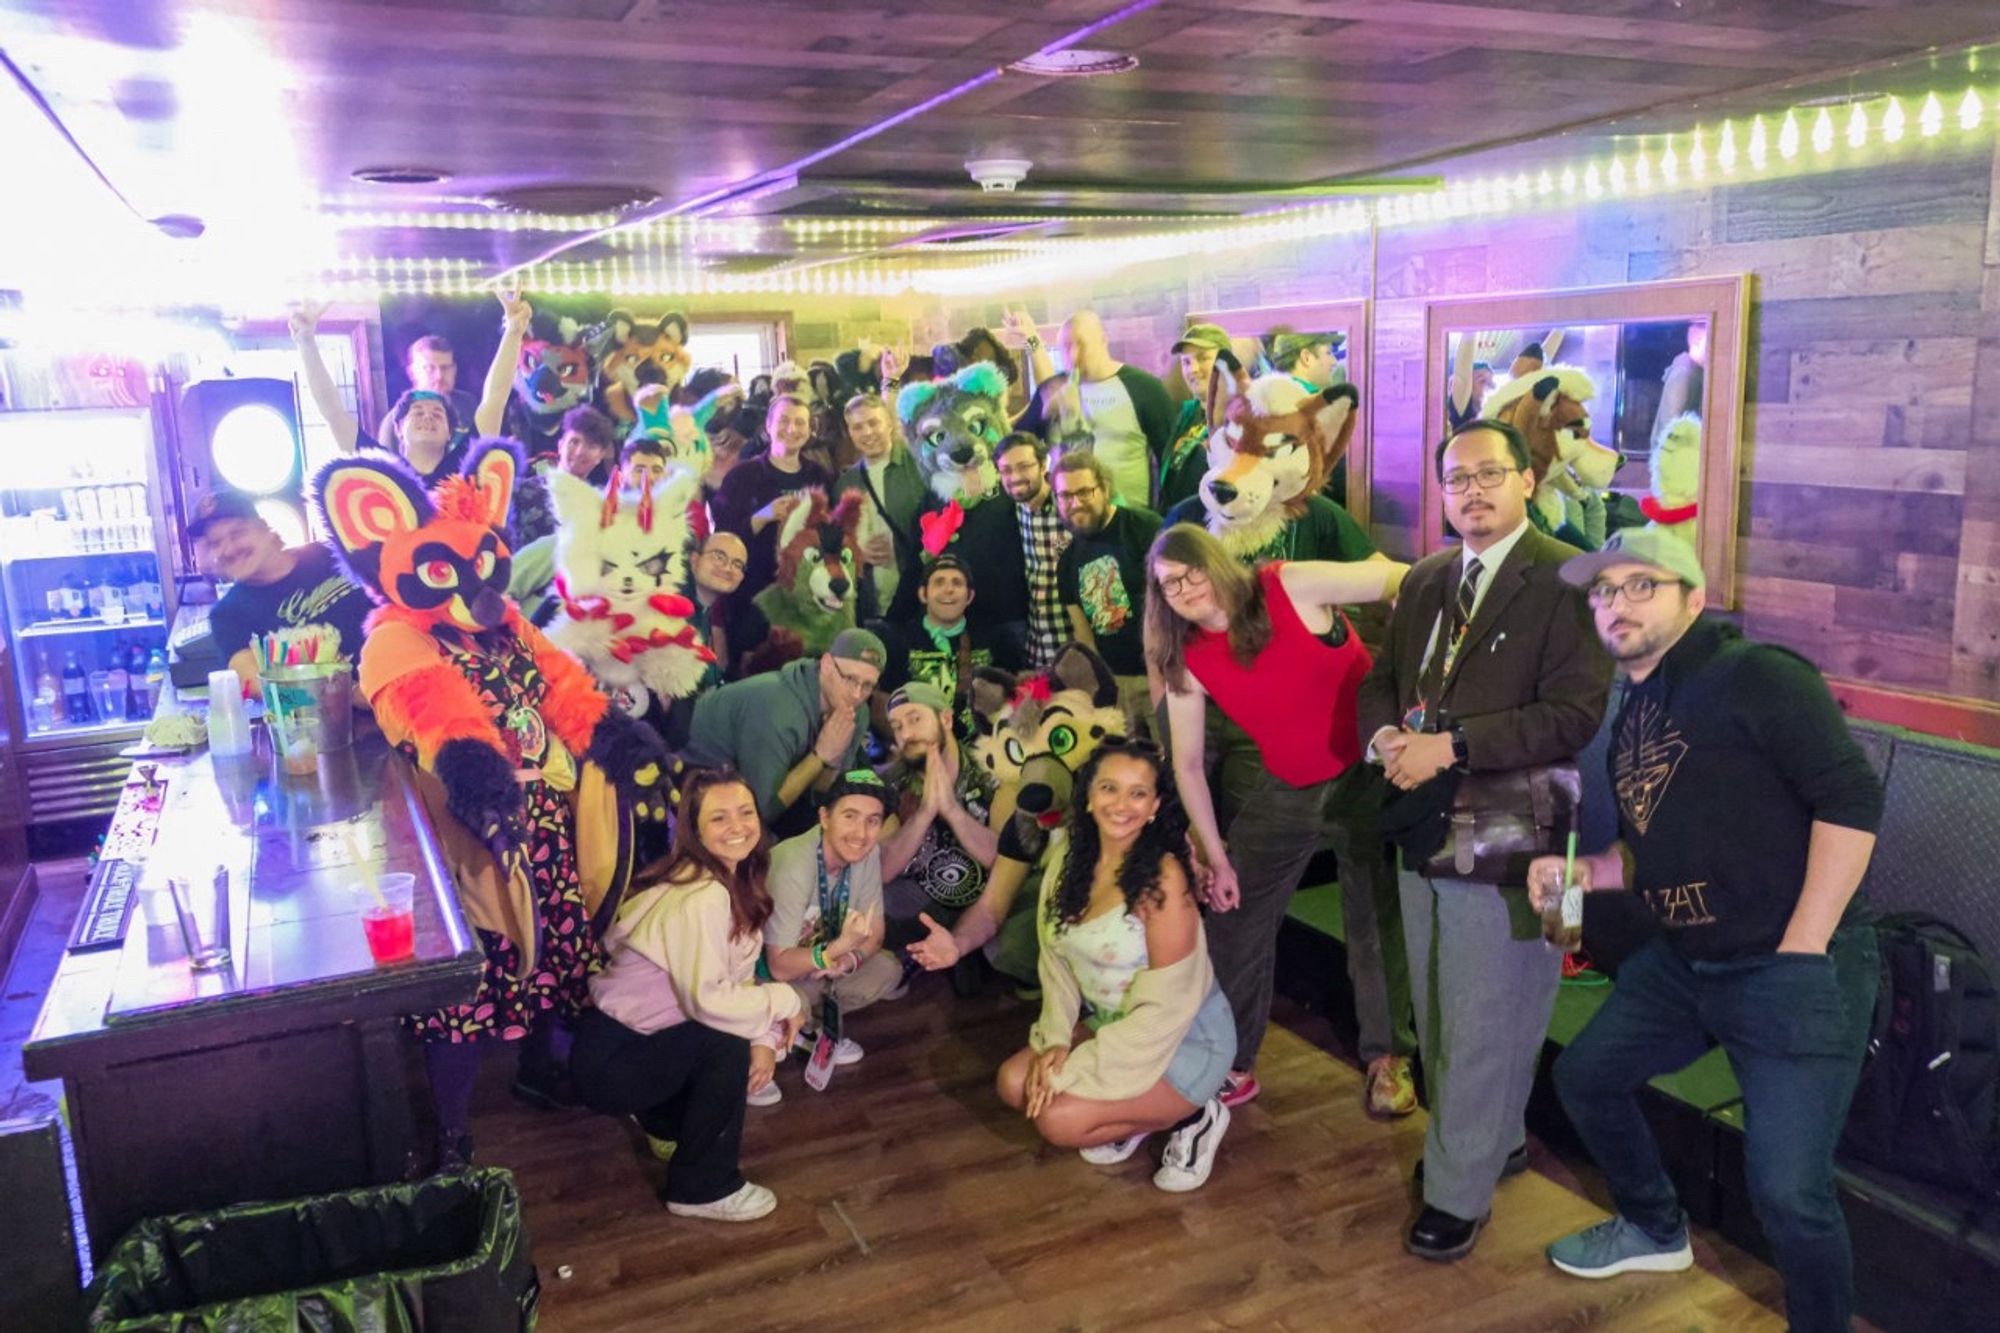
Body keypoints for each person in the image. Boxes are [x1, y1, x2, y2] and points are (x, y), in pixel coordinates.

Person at [1531, 529, 1880, 1332]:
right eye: (1603, 592)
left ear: (1693, 596)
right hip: (1689, 964)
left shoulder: (1755, 675)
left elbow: (1851, 802)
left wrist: (1804, 944)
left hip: (1792, 964)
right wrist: (1587, 874)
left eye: (1639, 586)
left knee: (1790, 1193)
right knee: (1585, 1076)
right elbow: (1650, 849)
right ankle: (1655, 1225)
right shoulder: (1635, 705)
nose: (1616, 604)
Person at [1356, 417, 1612, 1262]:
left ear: (1528, 480)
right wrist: (1387, 738)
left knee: (1493, 1007)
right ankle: (1496, 1138)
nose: (1472, 490)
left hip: (1532, 825)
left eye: (1489, 474)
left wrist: (1452, 745)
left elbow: (1575, 714)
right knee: (1443, 1003)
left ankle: (1456, 1193)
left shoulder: (1570, 578)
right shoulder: (1427, 577)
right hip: (1423, 814)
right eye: (1457, 479)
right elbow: (1384, 679)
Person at [1146, 524, 1408, 1115]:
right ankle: (1232, 1062)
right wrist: (1214, 855)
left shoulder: (1285, 584)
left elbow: (1401, 577)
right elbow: (1186, 764)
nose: (1186, 589)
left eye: (1192, 572)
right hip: (1291, 784)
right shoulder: (1186, 655)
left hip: (1367, 774)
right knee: (1232, 912)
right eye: (1169, 584)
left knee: (1371, 912)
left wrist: (1418, 649)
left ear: (1215, 563)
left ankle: (1388, 1056)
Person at [995, 739, 1236, 1192]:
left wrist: (1075, 1068)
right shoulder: (1068, 859)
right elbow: (1056, 963)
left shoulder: (1162, 878)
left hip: (1185, 1041)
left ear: (1154, 806)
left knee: (1057, 1120)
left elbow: (1167, 1011)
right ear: (1088, 795)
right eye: (1109, 788)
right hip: (1113, 1025)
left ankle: (1199, 1113)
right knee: (1014, 1083)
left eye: (1137, 793)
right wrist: (1054, 1042)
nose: (1121, 804)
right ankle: (1133, 1113)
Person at [571, 768, 805, 1222]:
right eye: (719, 818)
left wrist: (765, 1038)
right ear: (694, 830)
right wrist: (784, 1002)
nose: (737, 826)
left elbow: (732, 979)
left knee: (727, 1036)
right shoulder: (703, 896)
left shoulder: (717, 881)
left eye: (745, 813)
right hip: (613, 1057)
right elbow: (710, 1002)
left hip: (622, 1042)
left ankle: (662, 1120)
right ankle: (702, 1187)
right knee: (723, 1044)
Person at [760, 770, 905, 1090]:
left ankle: (805, 1027)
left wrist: (848, 960)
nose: (861, 832)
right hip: (766, 977)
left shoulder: (867, 854)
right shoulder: (794, 865)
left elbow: (876, 933)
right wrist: (834, 952)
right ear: (825, 817)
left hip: (818, 966)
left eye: (873, 821)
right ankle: (763, 1041)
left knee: (886, 969)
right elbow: (779, 965)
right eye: (850, 816)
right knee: (784, 997)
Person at [292, 294, 525, 484]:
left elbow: (496, 398)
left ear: (450, 433)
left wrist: (514, 331)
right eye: (417, 412)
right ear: (399, 428)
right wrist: (305, 341)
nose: (427, 417)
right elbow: (333, 413)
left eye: (437, 414)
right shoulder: (382, 472)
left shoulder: (466, 465)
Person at [683, 629, 882, 839]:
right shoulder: (778, 707)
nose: (856, 693)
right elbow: (761, 811)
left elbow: (820, 797)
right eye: (849, 678)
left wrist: (831, 759)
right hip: (692, 778)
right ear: (826, 665)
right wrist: (820, 756)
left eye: (867, 685)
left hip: (760, 790)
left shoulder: (857, 712)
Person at [189, 490, 373, 692]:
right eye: (216, 543)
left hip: (407, 684)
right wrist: (353, 693)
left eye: (238, 533)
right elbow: (258, 687)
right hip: (332, 720)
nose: (228, 550)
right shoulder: (228, 614)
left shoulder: (331, 554)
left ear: (264, 528)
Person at [873, 682, 1007, 959]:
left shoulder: (990, 769)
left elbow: (1004, 860)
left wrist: (952, 811)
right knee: (878, 905)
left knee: (1003, 946)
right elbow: (881, 870)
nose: (907, 734)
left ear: (945, 718)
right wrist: (924, 813)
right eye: (897, 726)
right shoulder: (891, 782)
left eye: (915, 719)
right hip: (922, 900)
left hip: (983, 898)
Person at [1008, 309, 1175, 508]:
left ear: (1103, 341)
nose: (1074, 354)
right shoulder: (1053, 389)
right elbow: (1014, 447)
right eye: (1066, 347)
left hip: (1126, 520)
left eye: (1082, 344)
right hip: (1066, 519)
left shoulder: (1144, 388)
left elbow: (1171, 461)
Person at [1053, 448, 1160, 731]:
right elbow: (1084, 635)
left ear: (1104, 487)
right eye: (1065, 496)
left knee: (1174, 765)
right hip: (1114, 684)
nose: (1075, 503)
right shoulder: (1066, 561)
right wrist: (1101, 688)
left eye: (1085, 492)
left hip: (1161, 676)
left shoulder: (1145, 528)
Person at [710, 392, 833, 629]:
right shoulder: (742, 476)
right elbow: (722, 537)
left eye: (800, 423)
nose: (792, 429)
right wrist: (762, 516)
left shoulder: (819, 475)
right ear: (768, 425)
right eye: (784, 421)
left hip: (804, 594)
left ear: (809, 430)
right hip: (752, 594)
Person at [869, 555, 1022, 729]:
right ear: (923, 594)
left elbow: (1018, 695)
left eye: (957, 583)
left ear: (970, 596)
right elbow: (884, 704)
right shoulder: (898, 642)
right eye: (939, 582)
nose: (948, 590)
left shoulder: (997, 639)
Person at [833, 392, 924, 620]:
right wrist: (857, 551)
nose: (867, 432)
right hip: (871, 607)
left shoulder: (919, 466)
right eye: (857, 427)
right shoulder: (846, 484)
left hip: (921, 599)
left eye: (873, 423)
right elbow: (835, 544)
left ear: (890, 424)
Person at [995, 432, 1071, 670]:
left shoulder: (1067, 506)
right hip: (1035, 649)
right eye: (1006, 470)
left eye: (1024, 466)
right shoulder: (1012, 512)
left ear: (1042, 464)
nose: (1015, 477)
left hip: (1074, 644)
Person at [511, 404, 619, 547]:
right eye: (574, 442)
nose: (580, 451)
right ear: (560, 445)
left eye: (591, 446)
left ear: (600, 457)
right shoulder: (522, 490)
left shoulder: (601, 507)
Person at [1157, 324, 1231, 514]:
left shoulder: (1239, 415)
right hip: (1181, 525)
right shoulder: (1188, 413)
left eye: (1203, 358)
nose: (1193, 369)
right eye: (1186, 362)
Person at [374, 333, 479, 445]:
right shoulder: (395, 422)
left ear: (454, 369)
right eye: (429, 368)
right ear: (412, 373)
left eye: (446, 368)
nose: (439, 376)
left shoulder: (469, 405)